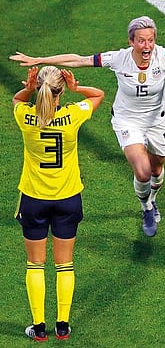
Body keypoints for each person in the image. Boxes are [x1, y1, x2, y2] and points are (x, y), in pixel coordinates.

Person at [10, 16, 165, 237]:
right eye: (141, 41)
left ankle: (152, 199)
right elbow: (79, 59)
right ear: (131, 41)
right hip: (127, 121)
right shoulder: (119, 58)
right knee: (143, 170)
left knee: (157, 171)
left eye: (150, 40)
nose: (146, 47)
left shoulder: (164, 56)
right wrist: (41, 60)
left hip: (157, 121)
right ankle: (146, 207)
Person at [12, 66, 104, 340]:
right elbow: (98, 94)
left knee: (35, 264)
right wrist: (76, 88)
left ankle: (39, 328)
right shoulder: (72, 116)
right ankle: (62, 325)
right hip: (67, 199)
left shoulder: (25, 117)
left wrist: (29, 87)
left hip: (34, 199)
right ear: (60, 91)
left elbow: (17, 100)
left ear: (38, 88)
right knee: (65, 265)